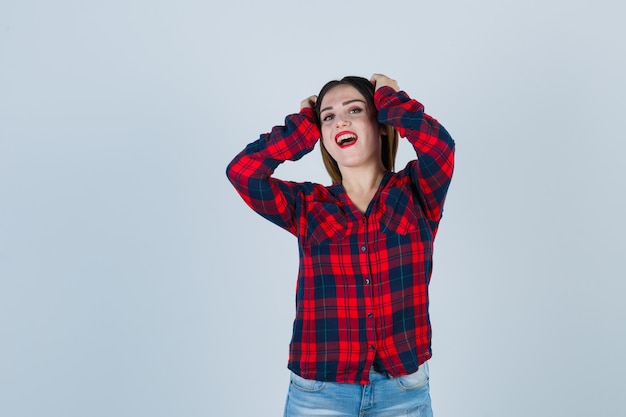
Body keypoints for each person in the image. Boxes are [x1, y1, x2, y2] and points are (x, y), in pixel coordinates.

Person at [226, 74, 455, 416]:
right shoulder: (307, 205)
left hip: (402, 390)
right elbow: (243, 172)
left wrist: (390, 99)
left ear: (379, 123)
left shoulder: (417, 192)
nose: (341, 121)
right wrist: (302, 128)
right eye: (328, 116)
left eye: (355, 110)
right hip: (320, 392)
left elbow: (440, 146)